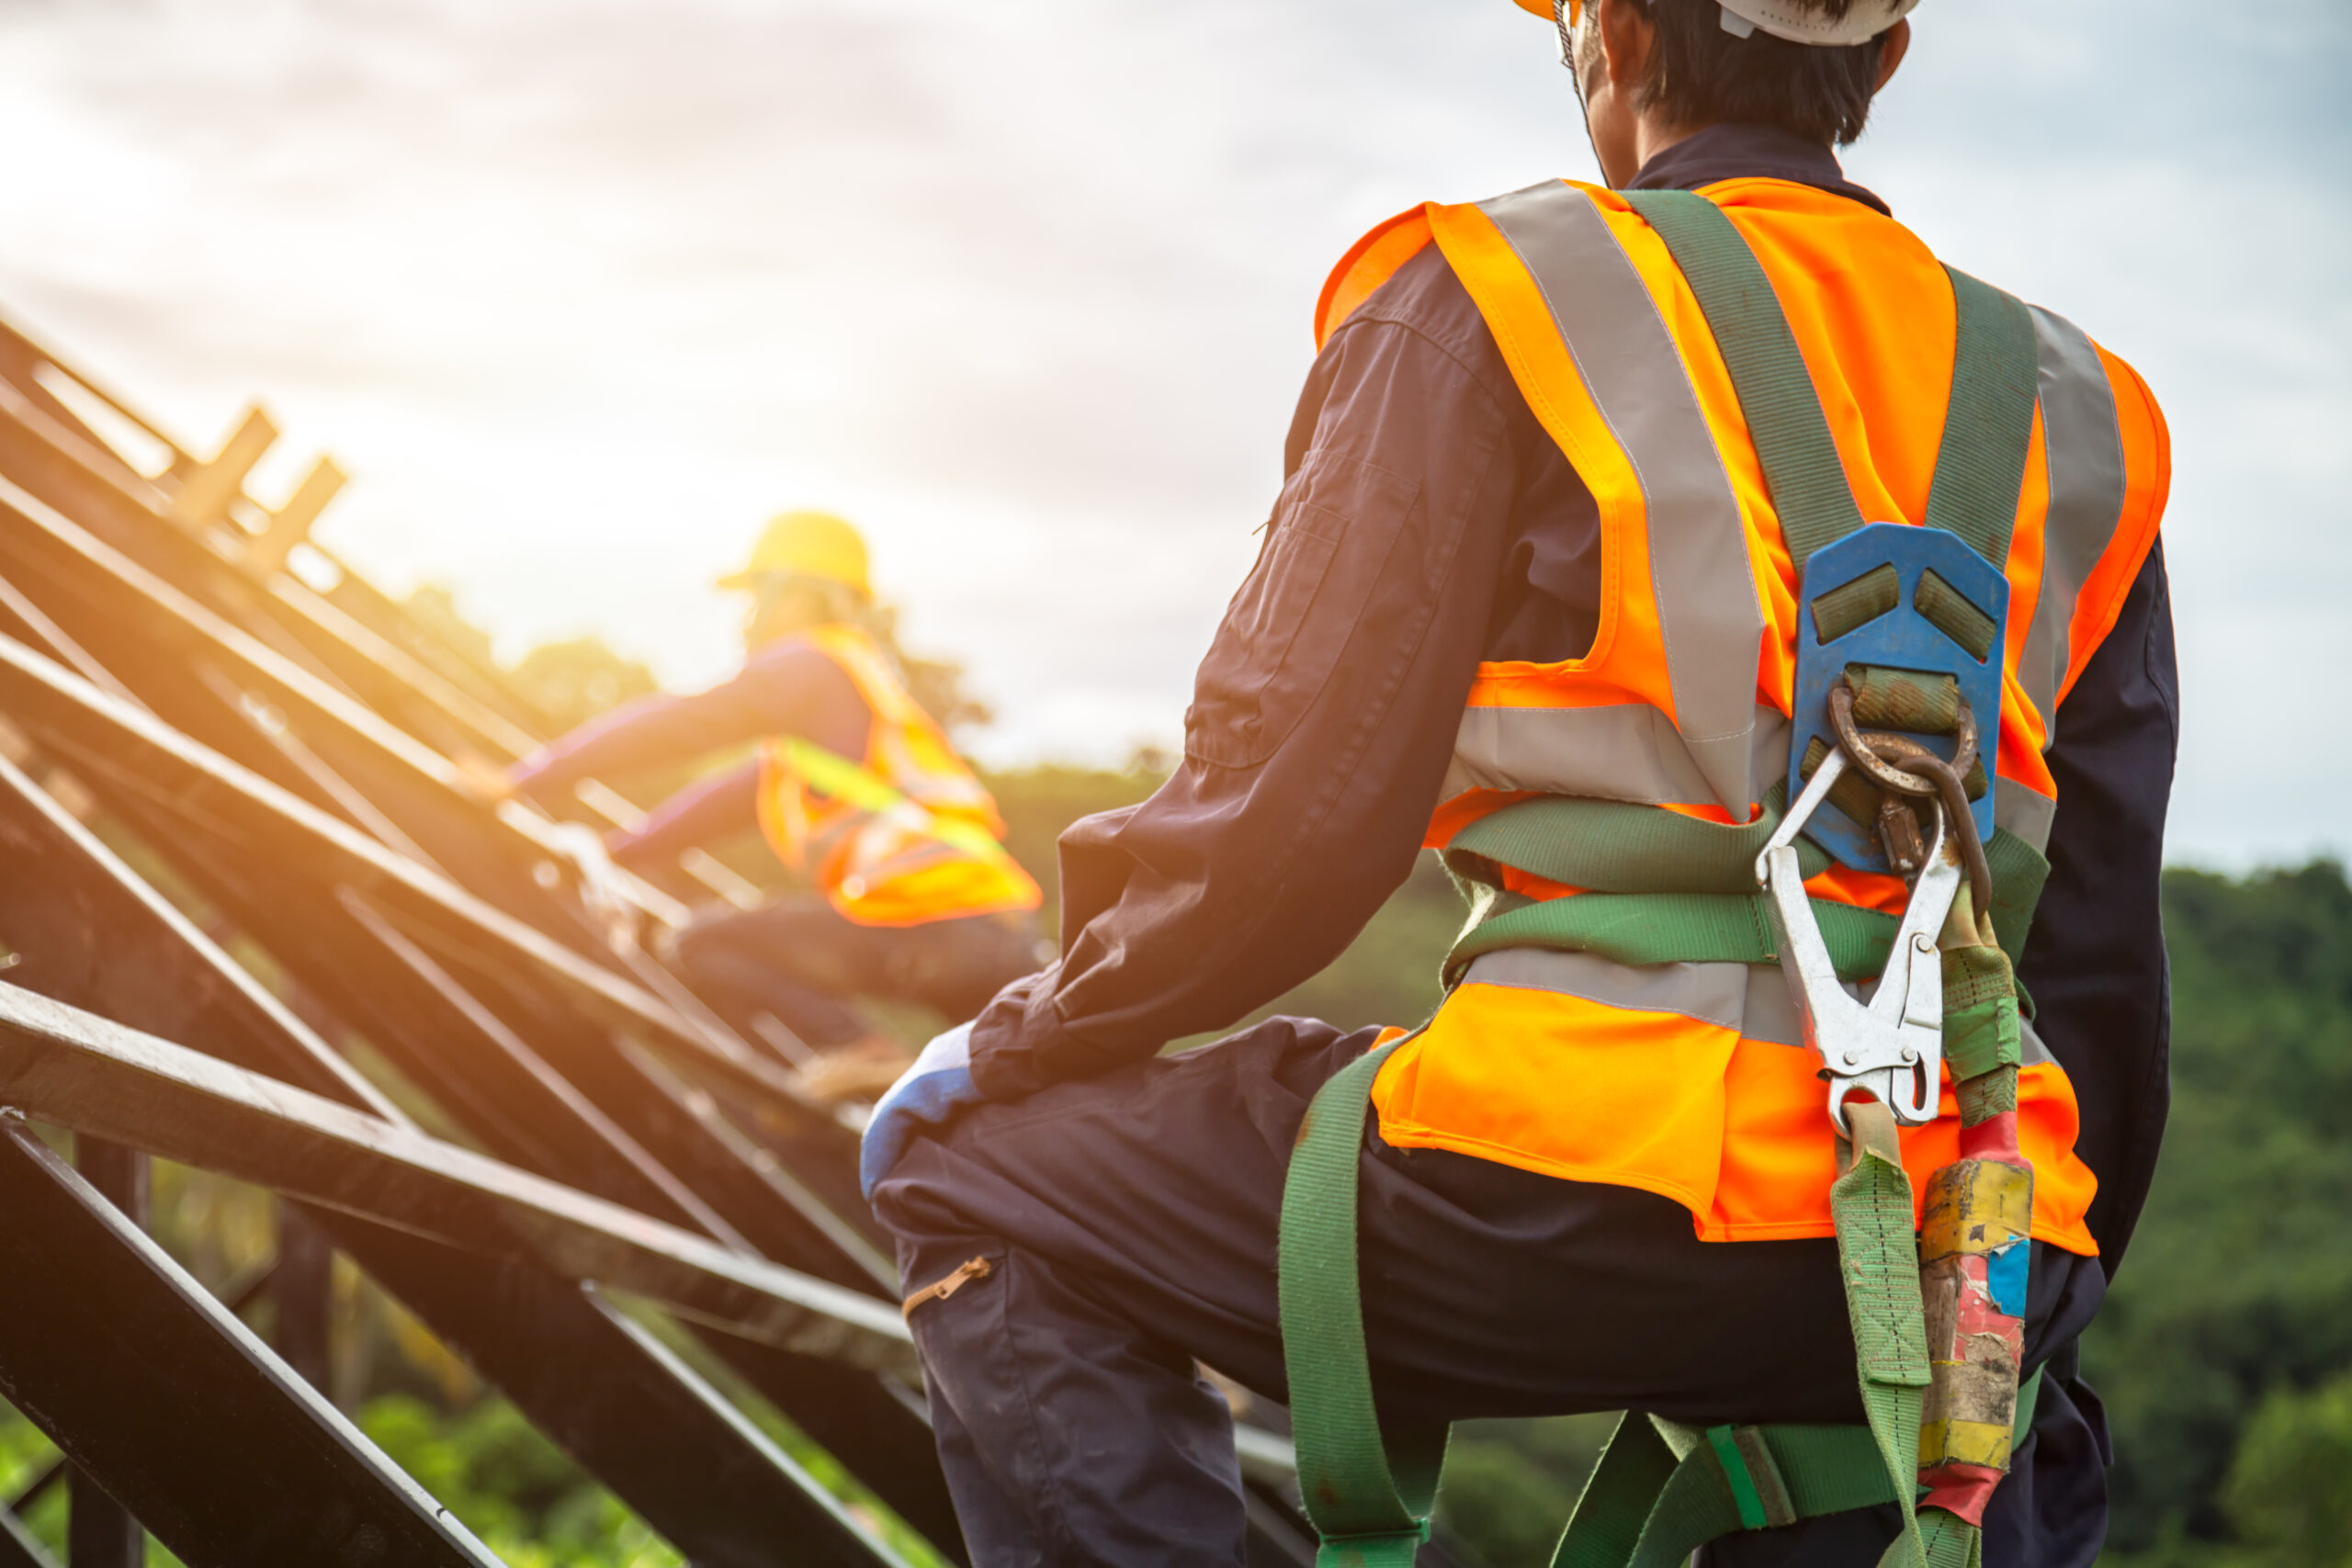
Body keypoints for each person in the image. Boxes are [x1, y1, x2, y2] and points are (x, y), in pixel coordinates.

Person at [861, 0, 2177, 1563]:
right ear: (1882, 59)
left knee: (970, 1169)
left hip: (1570, 1185)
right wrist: (2027, 1288)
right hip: (1961, 1230)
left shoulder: (1495, 297)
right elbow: (2094, 962)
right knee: (1962, 1442)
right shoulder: (2083, 411)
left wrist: (1031, 1034)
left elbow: (1288, 820)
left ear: (1612, 35)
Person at [506, 511, 1044, 1099]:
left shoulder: (812, 665)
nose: (746, 615)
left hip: (929, 927)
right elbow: (709, 808)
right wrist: (611, 855)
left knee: (702, 943)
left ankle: (861, 1050)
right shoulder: (837, 719)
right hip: (998, 936)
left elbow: (681, 723)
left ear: (793, 592)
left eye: (754, 594)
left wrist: (526, 778)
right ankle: (895, 1070)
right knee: (1014, 1098)